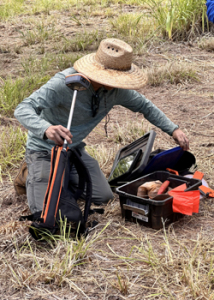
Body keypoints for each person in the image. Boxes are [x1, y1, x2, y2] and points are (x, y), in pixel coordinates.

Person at [14, 38, 189, 214]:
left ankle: (60, 177)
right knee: (45, 209)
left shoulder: (116, 91)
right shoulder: (65, 83)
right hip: (44, 150)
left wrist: (174, 129)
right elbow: (23, 108)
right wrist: (46, 129)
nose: (119, 82)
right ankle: (29, 173)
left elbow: (145, 106)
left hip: (73, 150)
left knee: (103, 196)